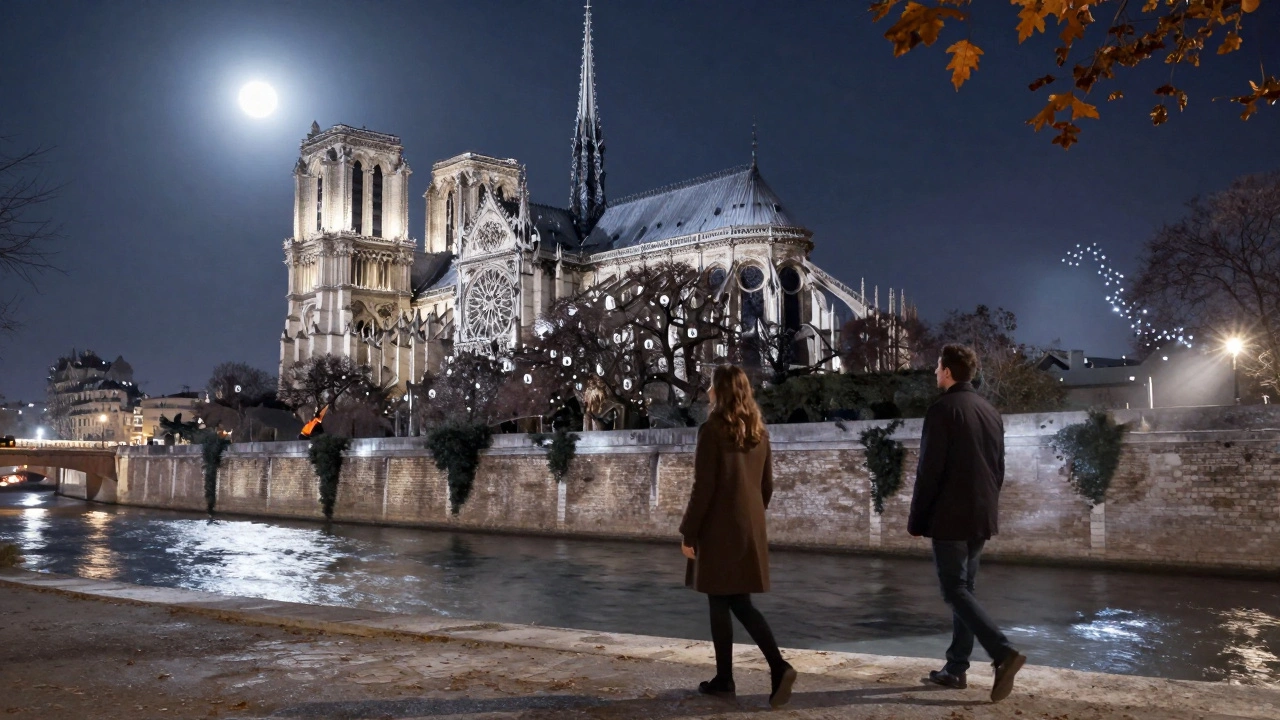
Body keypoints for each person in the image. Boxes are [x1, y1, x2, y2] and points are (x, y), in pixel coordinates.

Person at [909, 344, 1026, 702]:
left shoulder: (942, 410)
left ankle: (1002, 652)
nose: (934, 373)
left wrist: (917, 518)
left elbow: (929, 470)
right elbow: (998, 468)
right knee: (966, 591)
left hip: (950, 514)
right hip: (981, 513)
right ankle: (956, 667)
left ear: (946, 371)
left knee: (953, 590)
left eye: (936, 367)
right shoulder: (990, 410)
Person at [679, 364, 796, 709]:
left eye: (712, 386)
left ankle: (745, 674)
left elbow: (703, 488)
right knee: (739, 602)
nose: (708, 392)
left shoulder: (711, 430)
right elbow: (767, 487)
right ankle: (754, 671)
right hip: (749, 528)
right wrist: (750, 517)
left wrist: (689, 531)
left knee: (719, 600)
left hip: (718, 529)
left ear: (720, 391)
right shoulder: (759, 432)